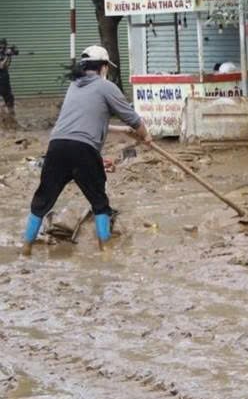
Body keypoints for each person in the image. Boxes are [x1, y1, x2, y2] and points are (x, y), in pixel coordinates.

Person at [22, 45, 151, 256]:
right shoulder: (106, 87)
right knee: (99, 201)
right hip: (83, 150)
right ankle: (105, 250)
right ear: (103, 67)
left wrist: (124, 131)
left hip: (57, 146)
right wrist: (145, 135)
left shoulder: (74, 86)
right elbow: (133, 117)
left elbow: (87, 122)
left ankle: (26, 248)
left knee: (42, 199)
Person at [0, 37, 16, 119]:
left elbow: (6, 66)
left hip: (5, 79)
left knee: (9, 98)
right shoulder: (3, 54)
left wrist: (10, 55)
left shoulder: (4, 53)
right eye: (1, 46)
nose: (3, 47)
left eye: (4, 46)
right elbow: (1, 66)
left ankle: (11, 117)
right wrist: (6, 56)